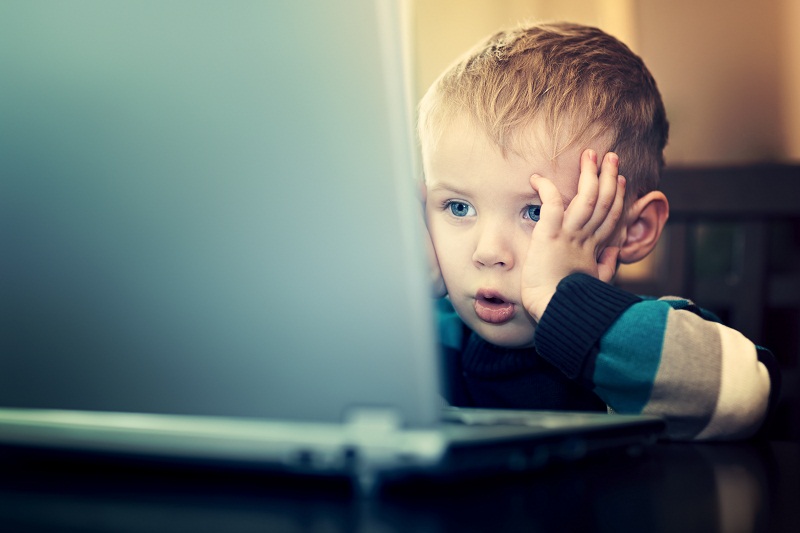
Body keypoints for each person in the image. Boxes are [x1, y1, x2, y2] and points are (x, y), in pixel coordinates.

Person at [417, 22, 781, 440]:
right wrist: (394, 296)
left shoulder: (642, 341)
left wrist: (564, 303)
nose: (488, 252)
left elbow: (746, 395)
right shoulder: (429, 340)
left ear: (634, 229)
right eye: (458, 207)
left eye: (538, 213)